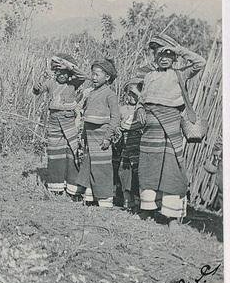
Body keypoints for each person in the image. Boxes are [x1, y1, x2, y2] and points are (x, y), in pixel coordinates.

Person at [136, 43, 206, 224]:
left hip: (170, 128)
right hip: (150, 130)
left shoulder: (180, 74)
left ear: (174, 58)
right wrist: (140, 109)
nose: (165, 58)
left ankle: (171, 214)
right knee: (149, 167)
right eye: (161, 54)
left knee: (171, 167)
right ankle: (148, 209)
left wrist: (179, 49)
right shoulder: (149, 76)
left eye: (169, 55)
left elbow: (200, 62)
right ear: (155, 57)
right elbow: (142, 99)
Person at [33, 53, 85, 197]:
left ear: (69, 73)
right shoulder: (50, 83)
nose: (61, 75)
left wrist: (69, 65)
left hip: (69, 121)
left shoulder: (73, 83)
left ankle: (73, 188)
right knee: (55, 152)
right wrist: (36, 88)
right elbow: (38, 91)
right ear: (55, 73)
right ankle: (56, 186)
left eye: (64, 72)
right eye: (58, 72)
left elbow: (83, 76)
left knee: (72, 152)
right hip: (54, 121)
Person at [76, 58, 120, 207]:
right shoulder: (91, 93)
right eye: (92, 74)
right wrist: (83, 136)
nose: (93, 78)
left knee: (102, 168)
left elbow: (115, 118)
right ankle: (90, 197)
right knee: (89, 165)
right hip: (90, 136)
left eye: (97, 75)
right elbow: (86, 117)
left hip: (102, 137)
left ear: (107, 77)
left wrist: (108, 137)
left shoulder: (110, 95)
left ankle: (104, 199)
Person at [116, 77, 144, 211]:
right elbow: (117, 125)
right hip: (126, 147)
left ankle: (140, 201)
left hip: (140, 148)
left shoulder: (143, 110)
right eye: (130, 93)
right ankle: (127, 199)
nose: (132, 96)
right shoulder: (121, 109)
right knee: (124, 172)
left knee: (138, 173)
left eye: (135, 94)